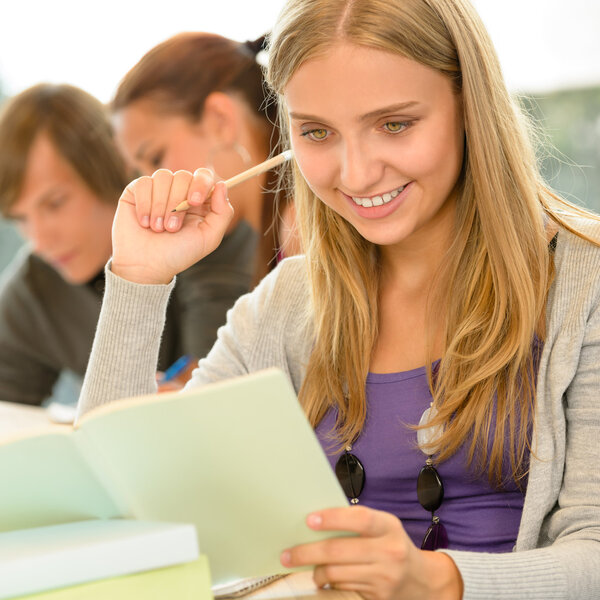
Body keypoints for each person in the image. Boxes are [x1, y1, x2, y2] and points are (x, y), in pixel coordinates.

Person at [76, 0, 600, 598]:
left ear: (469, 107)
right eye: (317, 132)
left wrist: (434, 581)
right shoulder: (283, 305)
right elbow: (115, 508)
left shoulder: (585, 284)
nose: (355, 174)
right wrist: (139, 280)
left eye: (395, 124)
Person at [0, 83, 233, 405]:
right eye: (20, 218)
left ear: (112, 164)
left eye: (54, 204)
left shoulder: (199, 230)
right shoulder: (30, 292)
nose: (39, 240)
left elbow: (218, 389)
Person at [110, 31, 300, 284]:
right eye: (140, 171)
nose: (154, 183)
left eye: (156, 159)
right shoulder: (276, 232)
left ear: (220, 120)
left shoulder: (297, 227)